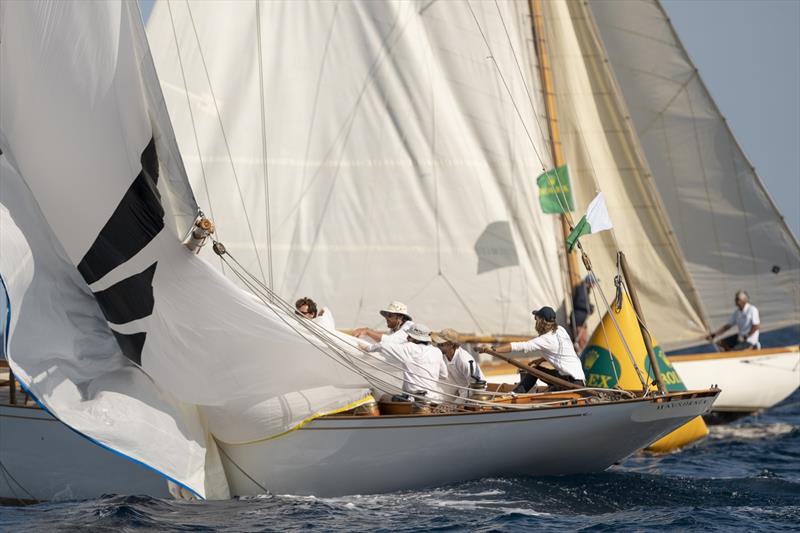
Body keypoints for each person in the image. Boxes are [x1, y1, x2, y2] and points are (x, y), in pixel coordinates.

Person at [487, 306, 585, 392]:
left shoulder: (544, 339)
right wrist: (541, 359)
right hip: (578, 381)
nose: (535, 321)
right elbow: (562, 353)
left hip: (569, 384)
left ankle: (516, 394)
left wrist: (494, 350)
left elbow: (518, 346)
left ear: (541, 322)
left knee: (534, 371)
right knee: (537, 370)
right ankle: (524, 392)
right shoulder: (561, 330)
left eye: (536, 319)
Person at [363, 324, 448, 402]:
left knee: (383, 398)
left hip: (414, 400)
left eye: (409, 336)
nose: (407, 338)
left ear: (415, 338)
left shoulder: (409, 348)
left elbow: (382, 345)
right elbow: (444, 375)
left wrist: (368, 348)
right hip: (434, 398)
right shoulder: (437, 351)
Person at [432, 328, 485, 398]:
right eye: (437, 344)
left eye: (441, 344)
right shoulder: (442, 355)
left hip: (475, 395)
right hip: (459, 392)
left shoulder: (464, 360)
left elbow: (476, 386)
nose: (437, 346)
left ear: (451, 345)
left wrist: (458, 402)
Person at [571, 275, 596, 352]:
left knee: (584, 340)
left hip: (582, 319)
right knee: (582, 341)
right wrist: (589, 307)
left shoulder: (585, 290)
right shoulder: (582, 289)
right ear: (590, 282)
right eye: (594, 282)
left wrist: (590, 307)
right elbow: (578, 303)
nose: (595, 284)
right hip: (578, 319)